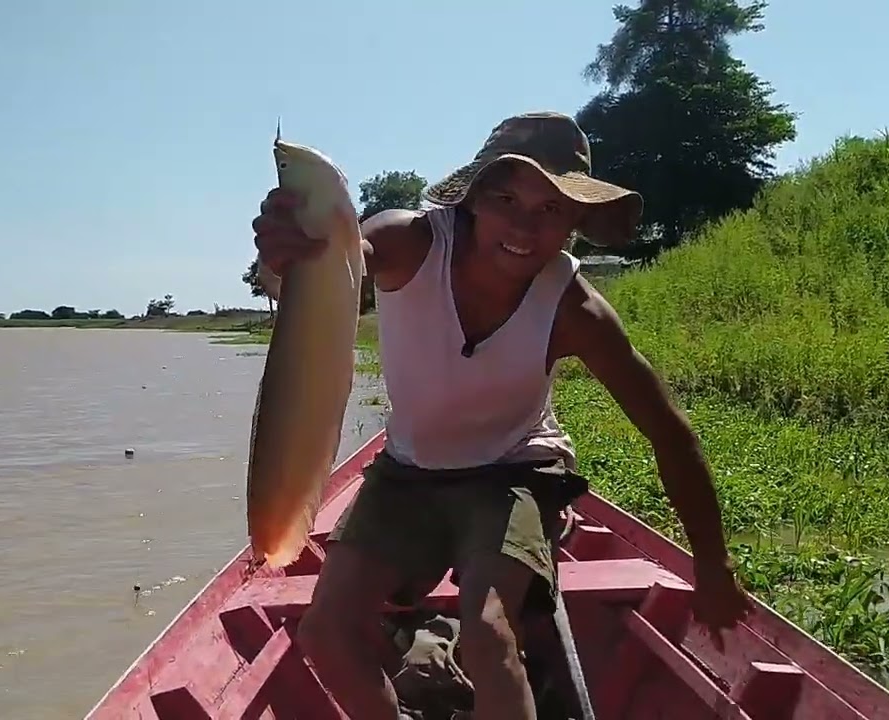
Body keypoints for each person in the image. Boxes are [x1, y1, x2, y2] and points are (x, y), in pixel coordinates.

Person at [251, 111, 751, 720]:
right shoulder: (409, 243)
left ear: (575, 221)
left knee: (489, 636)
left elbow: (668, 433)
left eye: (551, 210)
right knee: (326, 632)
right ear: (472, 198)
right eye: (506, 198)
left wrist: (713, 563)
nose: (523, 226)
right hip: (407, 474)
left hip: (511, 473)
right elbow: (334, 265)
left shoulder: (576, 311)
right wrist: (292, 253)